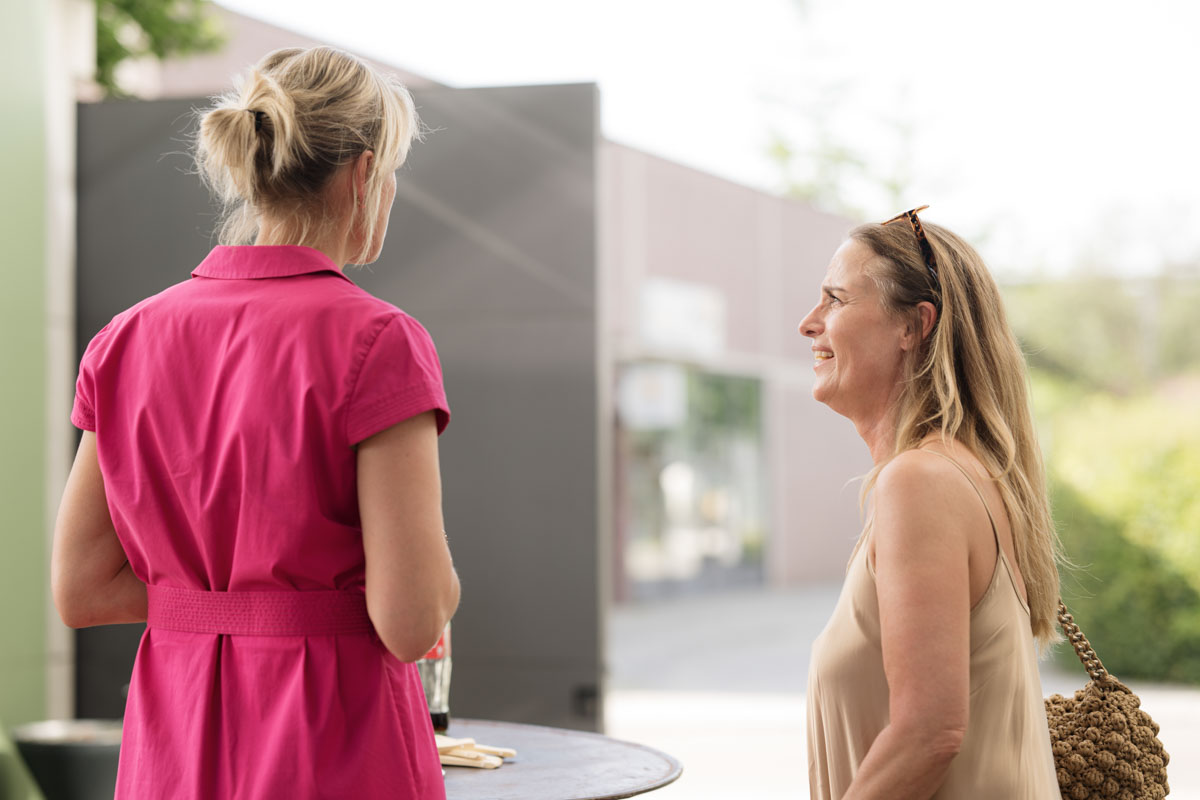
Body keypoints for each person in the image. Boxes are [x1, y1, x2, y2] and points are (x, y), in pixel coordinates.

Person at [51, 46, 460, 799]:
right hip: (336, 749)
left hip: (174, 748)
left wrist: (213, 607)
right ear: (365, 174)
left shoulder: (126, 339)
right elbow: (411, 622)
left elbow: (82, 588)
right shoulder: (380, 342)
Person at [800, 207, 1061, 799]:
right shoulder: (957, 473)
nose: (808, 323)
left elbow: (929, 734)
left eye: (835, 299)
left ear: (914, 326)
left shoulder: (920, 482)